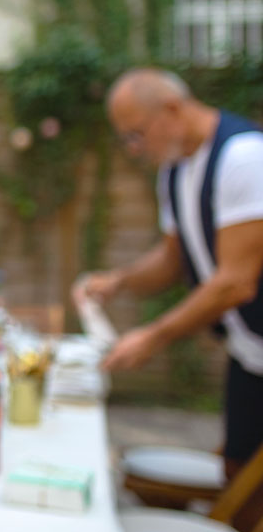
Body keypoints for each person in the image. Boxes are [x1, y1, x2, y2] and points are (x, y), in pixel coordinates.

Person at [75, 68, 263, 500]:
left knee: (249, 490)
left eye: (137, 134)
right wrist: (117, 282)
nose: (134, 149)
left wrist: (154, 337)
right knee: (238, 474)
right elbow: (174, 259)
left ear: (173, 109)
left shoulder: (243, 157)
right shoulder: (175, 171)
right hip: (249, 352)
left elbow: (236, 283)